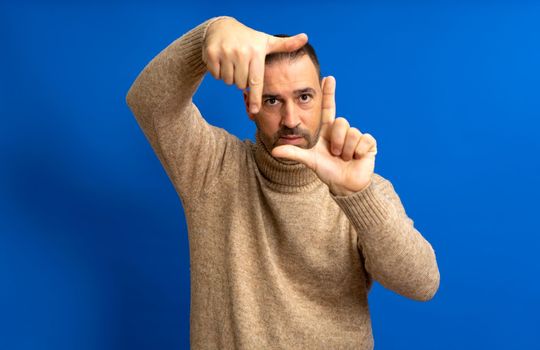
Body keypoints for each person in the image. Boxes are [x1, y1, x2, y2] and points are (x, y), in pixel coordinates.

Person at [126, 15, 440, 350]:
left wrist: (357, 196)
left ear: (323, 97)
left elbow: (422, 284)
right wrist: (208, 35)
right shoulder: (213, 168)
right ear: (251, 104)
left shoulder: (363, 188)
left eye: (304, 97)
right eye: (273, 100)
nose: (291, 119)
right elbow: (149, 102)